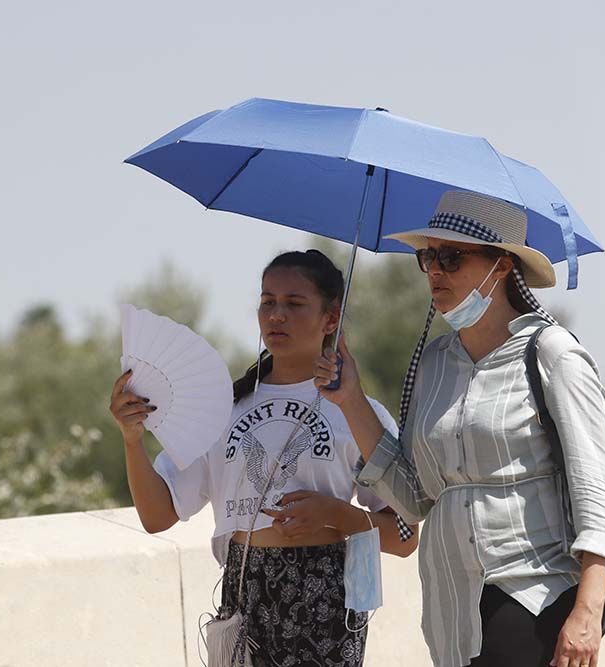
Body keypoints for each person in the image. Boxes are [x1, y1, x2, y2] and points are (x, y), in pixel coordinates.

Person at [314, 191, 605, 667]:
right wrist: (351, 400)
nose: (435, 271)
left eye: (452, 257)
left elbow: (599, 492)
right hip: (451, 615)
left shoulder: (552, 354)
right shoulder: (434, 364)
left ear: (500, 266)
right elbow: (418, 500)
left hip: (535, 599)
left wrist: (586, 613)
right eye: (427, 257)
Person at [109, 249, 417, 667]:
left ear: (331, 319)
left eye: (294, 304)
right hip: (241, 597)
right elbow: (157, 516)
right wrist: (132, 440)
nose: (276, 315)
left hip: (326, 599)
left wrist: (336, 514)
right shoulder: (222, 409)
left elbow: (405, 537)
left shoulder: (359, 413)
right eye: (267, 301)